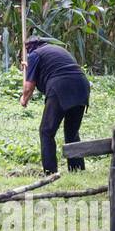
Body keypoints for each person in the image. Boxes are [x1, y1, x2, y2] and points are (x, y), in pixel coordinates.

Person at [19, 37, 90, 174]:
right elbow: (47, 71)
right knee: (71, 132)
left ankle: (50, 172)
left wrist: (24, 99)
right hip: (81, 86)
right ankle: (77, 169)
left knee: (46, 131)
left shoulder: (35, 54)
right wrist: (28, 70)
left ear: (30, 48)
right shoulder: (55, 50)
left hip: (61, 87)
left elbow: (29, 87)